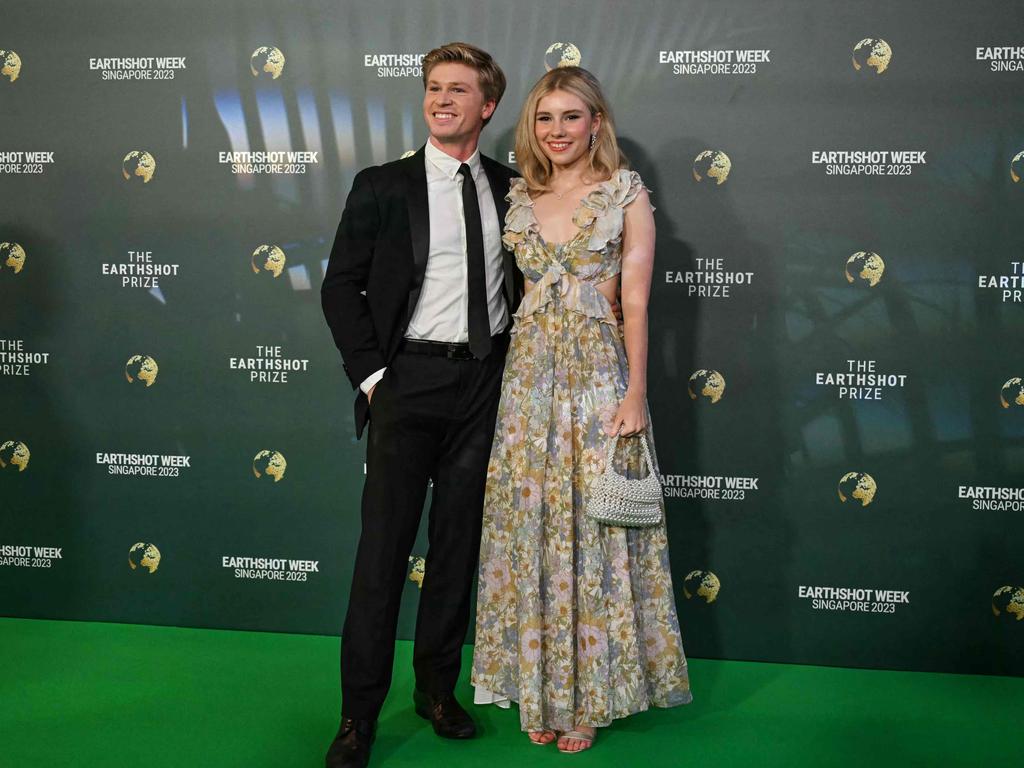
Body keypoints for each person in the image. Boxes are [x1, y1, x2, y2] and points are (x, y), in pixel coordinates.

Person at [471, 66, 692, 753]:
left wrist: (636, 394)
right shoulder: (517, 195)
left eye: (571, 116)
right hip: (529, 382)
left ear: (596, 121)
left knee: (594, 535)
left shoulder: (625, 193)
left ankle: (589, 697)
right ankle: (538, 690)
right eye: (544, 118)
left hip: (598, 380)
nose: (557, 130)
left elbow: (636, 300)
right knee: (530, 531)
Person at [320, 42, 520, 768]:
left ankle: (438, 691)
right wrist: (374, 378)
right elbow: (340, 286)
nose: (441, 100)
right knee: (382, 558)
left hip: (484, 387)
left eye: (458, 90)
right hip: (407, 384)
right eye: (434, 88)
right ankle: (355, 717)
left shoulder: (510, 187)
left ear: (486, 106)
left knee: (457, 548)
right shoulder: (382, 185)